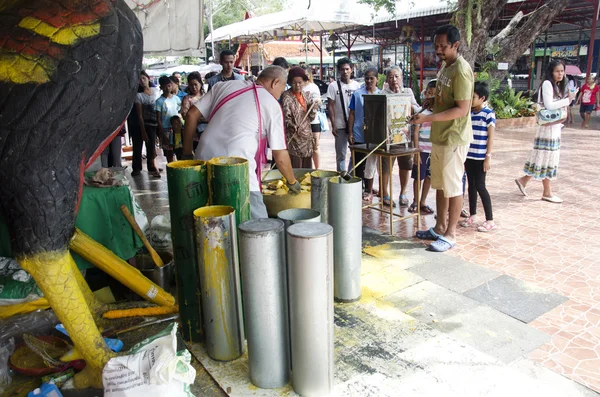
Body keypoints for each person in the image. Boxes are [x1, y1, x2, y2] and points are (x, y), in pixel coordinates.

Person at [182, 66, 301, 219]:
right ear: (275, 82)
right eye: (283, 88)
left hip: (203, 161)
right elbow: (280, 155)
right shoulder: (271, 104)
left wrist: (186, 154)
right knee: (260, 226)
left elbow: (191, 115)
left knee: (210, 219)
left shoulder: (223, 86)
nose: (280, 94)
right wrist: (291, 182)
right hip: (238, 170)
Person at [409, 24, 474, 252]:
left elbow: (461, 110)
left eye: (443, 46)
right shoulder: (446, 67)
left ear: (456, 45)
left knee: (453, 187)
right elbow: (446, 99)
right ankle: (439, 227)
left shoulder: (461, 70)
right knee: (440, 185)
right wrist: (431, 103)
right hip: (440, 137)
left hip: (454, 138)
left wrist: (427, 118)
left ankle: (451, 234)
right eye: (436, 46)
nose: (438, 50)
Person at [515, 60, 577, 204]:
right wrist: (568, 100)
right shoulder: (548, 84)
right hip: (548, 127)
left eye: (562, 71)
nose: (560, 74)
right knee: (548, 156)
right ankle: (546, 192)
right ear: (551, 72)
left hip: (553, 126)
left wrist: (568, 97)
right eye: (557, 71)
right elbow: (549, 105)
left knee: (542, 155)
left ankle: (524, 180)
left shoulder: (556, 85)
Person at [381, 66, 421, 208]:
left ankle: (403, 193)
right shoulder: (383, 93)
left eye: (396, 76)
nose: (394, 80)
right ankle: (385, 194)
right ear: (387, 79)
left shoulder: (408, 92)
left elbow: (417, 109)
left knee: (405, 165)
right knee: (385, 167)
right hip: (388, 137)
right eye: (391, 77)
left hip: (404, 136)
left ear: (401, 77)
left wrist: (409, 106)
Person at [460, 81, 496, 232]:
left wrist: (488, 156)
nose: (471, 99)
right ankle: (472, 216)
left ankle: (490, 220)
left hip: (481, 158)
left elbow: (491, 137)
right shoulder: (470, 113)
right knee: (471, 186)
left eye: (473, 97)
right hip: (469, 157)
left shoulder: (488, 114)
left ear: (482, 98)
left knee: (481, 186)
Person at [347, 68, 381, 202]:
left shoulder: (381, 94)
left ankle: (369, 189)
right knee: (358, 163)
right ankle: (357, 188)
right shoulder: (357, 94)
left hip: (374, 135)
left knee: (370, 164)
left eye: (371, 78)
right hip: (359, 133)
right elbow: (352, 114)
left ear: (377, 79)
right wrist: (350, 132)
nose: (369, 81)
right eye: (367, 78)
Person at [327, 58, 361, 172]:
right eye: (342, 70)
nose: (345, 72)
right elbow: (330, 105)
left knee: (355, 153)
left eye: (347, 69)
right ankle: (341, 178)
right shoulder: (333, 86)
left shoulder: (357, 86)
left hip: (355, 126)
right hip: (340, 125)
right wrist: (333, 124)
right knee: (341, 155)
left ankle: (351, 176)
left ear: (351, 70)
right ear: (338, 71)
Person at [408, 80, 436, 214]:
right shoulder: (421, 111)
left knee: (429, 177)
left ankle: (423, 201)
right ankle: (415, 200)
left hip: (434, 151)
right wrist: (416, 151)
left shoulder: (440, 114)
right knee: (418, 177)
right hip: (422, 150)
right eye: (428, 93)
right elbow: (416, 132)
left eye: (433, 94)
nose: (430, 96)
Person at [281, 67, 318, 168]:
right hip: (294, 139)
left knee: (306, 171)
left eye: (300, 82)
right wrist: (292, 126)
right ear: (289, 82)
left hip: (306, 140)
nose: (297, 85)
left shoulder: (305, 96)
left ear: (304, 82)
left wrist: (313, 108)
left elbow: (310, 118)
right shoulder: (286, 97)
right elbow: (285, 118)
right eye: (294, 83)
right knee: (296, 169)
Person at [134, 70, 161, 177]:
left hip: (154, 123)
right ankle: (136, 167)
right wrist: (143, 130)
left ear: (148, 79)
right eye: (140, 79)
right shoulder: (139, 96)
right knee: (138, 146)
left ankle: (152, 166)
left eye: (143, 78)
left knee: (151, 146)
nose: (142, 81)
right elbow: (139, 115)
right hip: (142, 123)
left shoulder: (155, 91)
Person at [155, 75, 181, 164]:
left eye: (169, 86)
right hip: (165, 130)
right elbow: (158, 119)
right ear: (161, 87)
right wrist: (162, 133)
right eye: (164, 86)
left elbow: (179, 113)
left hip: (176, 129)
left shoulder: (176, 99)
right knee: (169, 153)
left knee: (178, 150)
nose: (167, 88)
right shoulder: (159, 101)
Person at [302, 67, 323, 169]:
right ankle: (306, 169)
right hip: (301, 122)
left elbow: (318, 102)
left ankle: (317, 169)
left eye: (306, 74)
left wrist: (315, 104)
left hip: (313, 121)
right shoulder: (297, 87)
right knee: (303, 147)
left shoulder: (314, 87)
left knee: (316, 146)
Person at [181, 71, 205, 151]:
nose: (193, 87)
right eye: (191, 85)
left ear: (200, 83)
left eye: (195, 84)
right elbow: (185, 115)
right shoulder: (187, 99)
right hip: (193, 132)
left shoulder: (206, 96)